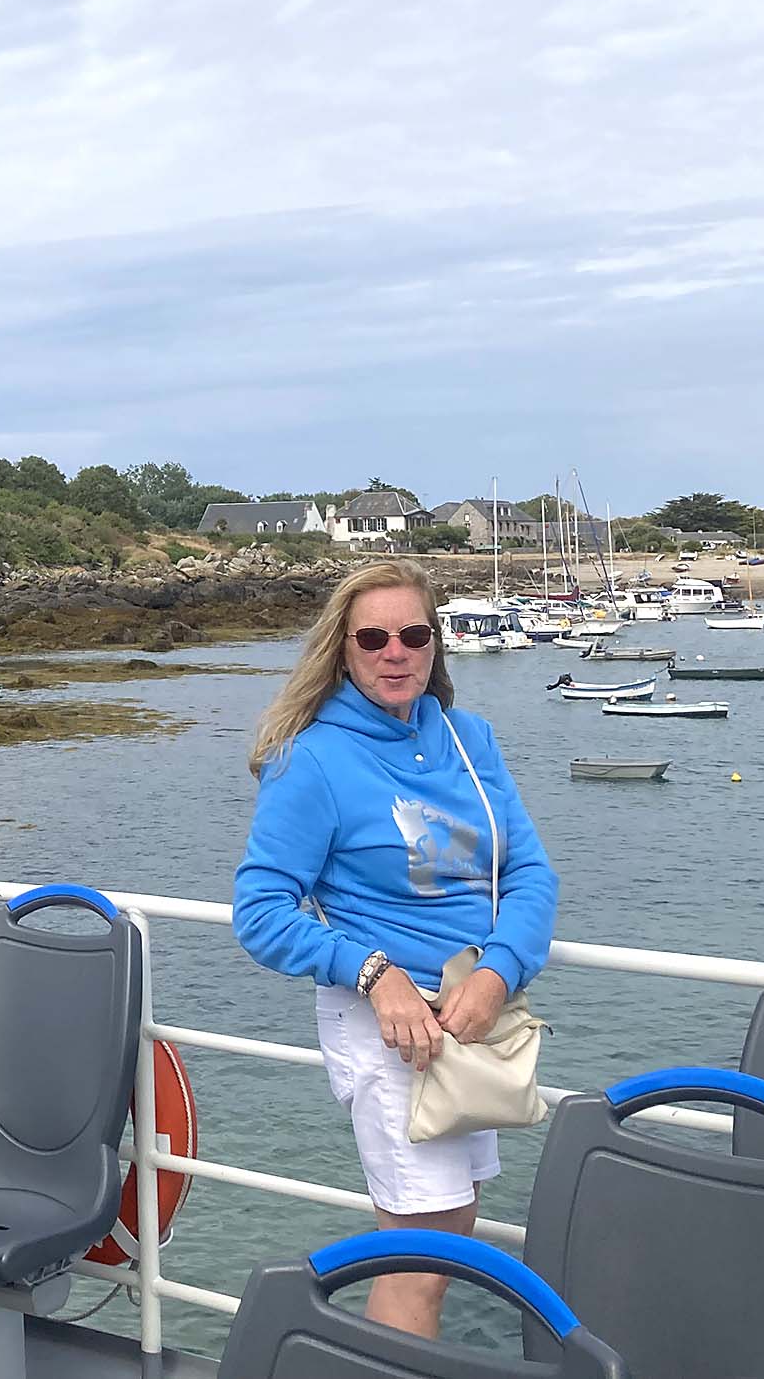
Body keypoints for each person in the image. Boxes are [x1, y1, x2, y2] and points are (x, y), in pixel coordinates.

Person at [231, 558, 558, 1339]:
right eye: (372, 638)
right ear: (342, 649)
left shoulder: (469, 739)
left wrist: (498, 969)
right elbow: (260, 911)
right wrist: (374, 972)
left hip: (473, 1021)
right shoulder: (313, 760)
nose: (395, 652)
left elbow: (530, 874)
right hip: (390, 1033)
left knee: (448, 1243)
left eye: (413, 634)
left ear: (436, 641)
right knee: (419, 1268)